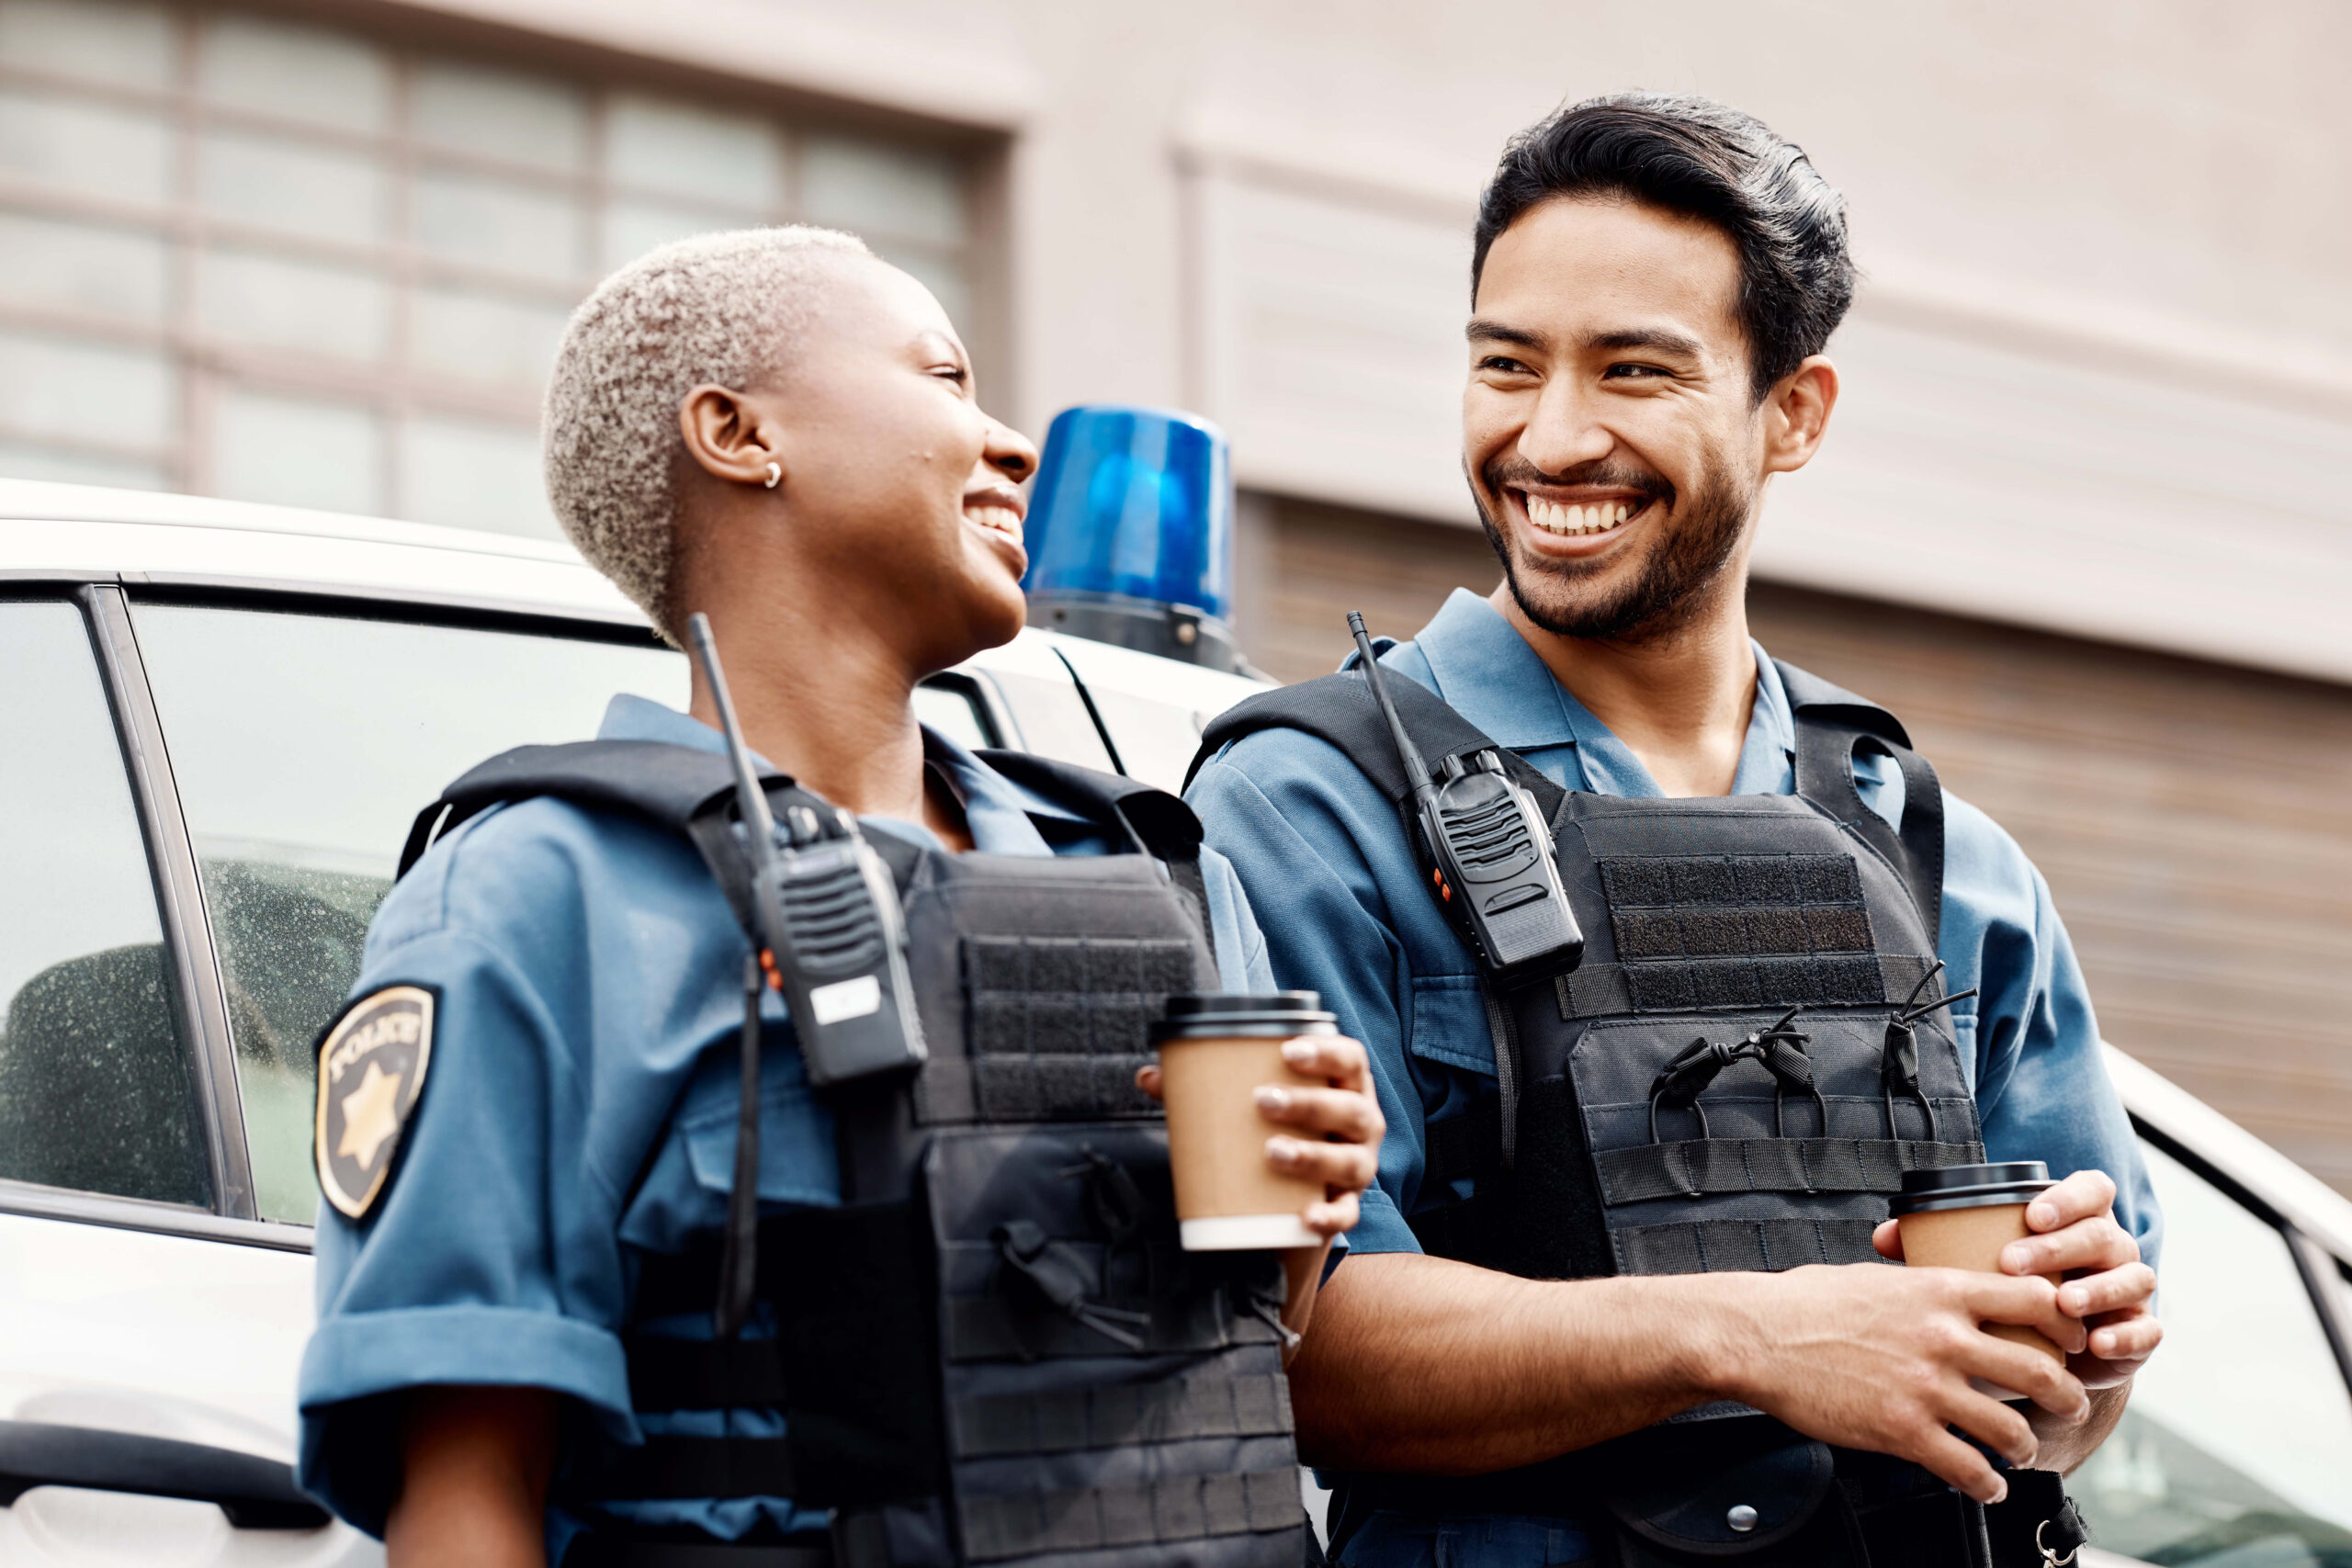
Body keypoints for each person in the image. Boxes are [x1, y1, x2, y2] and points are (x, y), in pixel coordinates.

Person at [296, 226, 1384, 1568]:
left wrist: (1297, 1224)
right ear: (739, 433)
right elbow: (467, 1505)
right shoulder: (536, 901)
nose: (1012, 444)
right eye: (943, 378)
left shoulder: (1155, 874)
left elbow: (1235, 1388)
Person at [1184, 96, 2162, 1567]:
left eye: (1634, 373)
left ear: (1795, 414)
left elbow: (2067, 1401)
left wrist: (2084, 1355)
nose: (1553, 437)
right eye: (1506, 366)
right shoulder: (1307, 808)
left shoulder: (1933, 853)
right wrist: (1750, 1336)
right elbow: (1276, 1348)